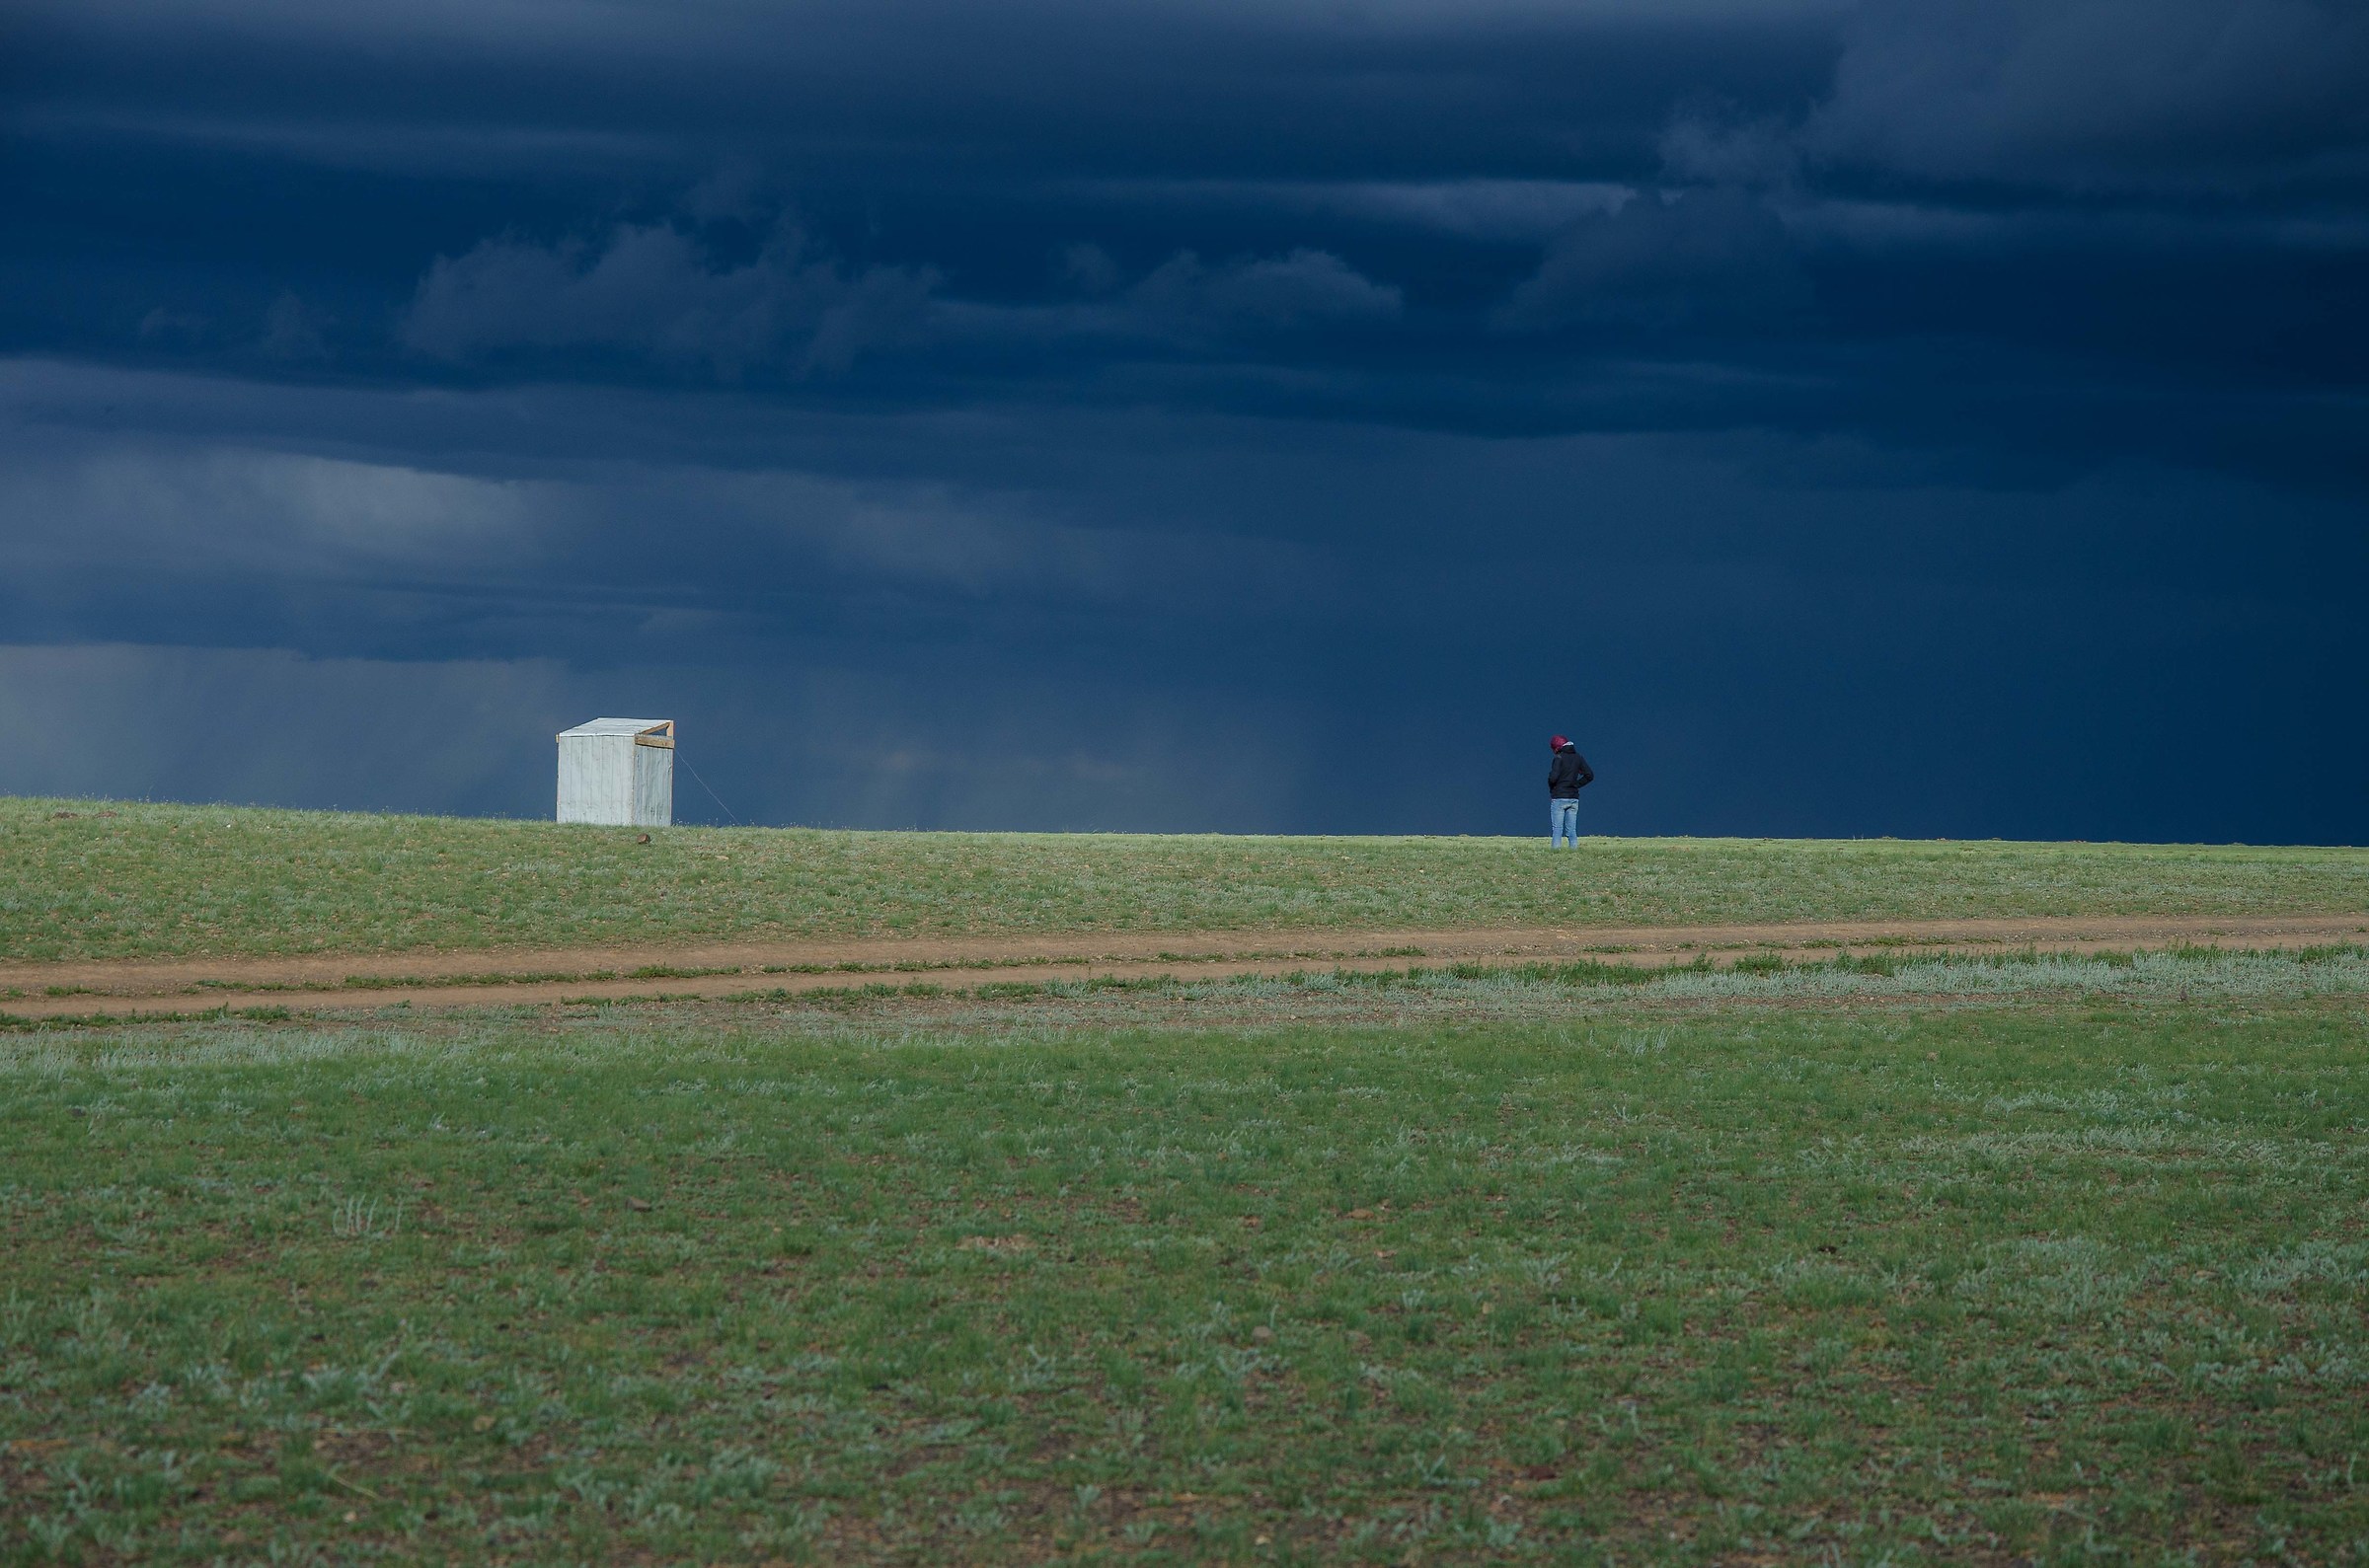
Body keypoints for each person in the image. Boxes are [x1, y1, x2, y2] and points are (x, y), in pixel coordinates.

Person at [1547, 734, 1593, 847]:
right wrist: (1576, 785)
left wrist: (1551, 785)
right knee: (1572, 830)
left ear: (1557, 748)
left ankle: (1555, 853)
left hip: (1559, 797)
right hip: (1573, 798)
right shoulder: (1578, 757)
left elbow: (1553, 778)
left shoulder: (1559, 758)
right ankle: (1573, 853)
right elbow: (1589, 775)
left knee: (1557, 829)